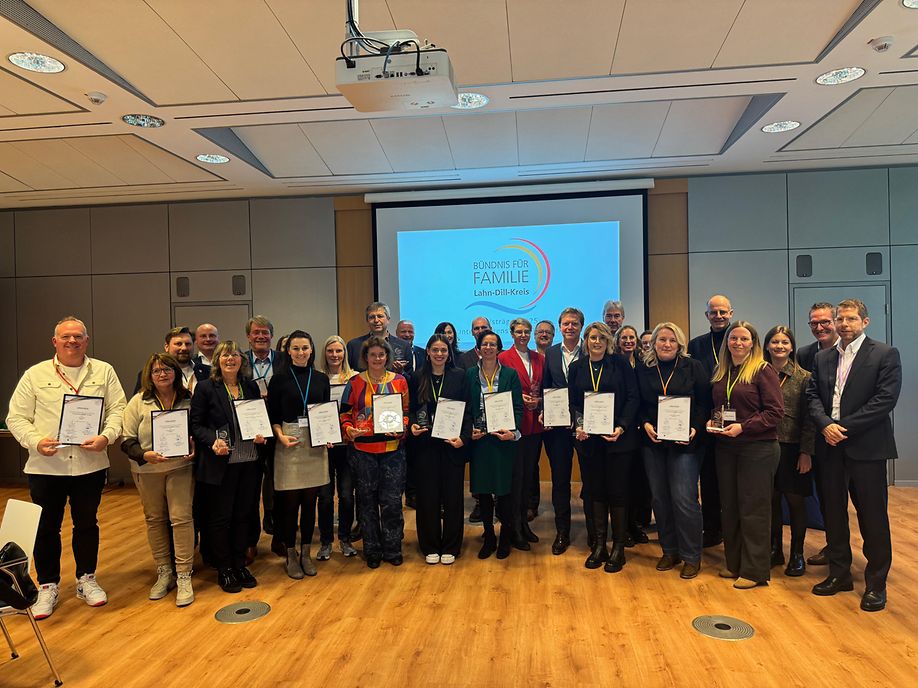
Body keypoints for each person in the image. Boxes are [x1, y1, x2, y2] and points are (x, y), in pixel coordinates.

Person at [6, 316, 126, 620]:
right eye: (66, 337)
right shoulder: (35, 375)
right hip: (47, 465)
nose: (72, 341)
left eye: (78, 337)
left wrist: (105, 437)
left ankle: (87, 579)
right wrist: (35, 441)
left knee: (87, 523)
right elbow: (15, 417)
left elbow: (118, 410)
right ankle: (48, 585)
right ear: (55, 342)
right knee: (47, 528)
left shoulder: (104, 371)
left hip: (90, 464)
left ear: (86, 340)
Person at [806, 299, 901, 612]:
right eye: (840, 319)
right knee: (833, 514)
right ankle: (839, 574)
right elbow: (813, 398)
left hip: (867, 448)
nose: (844, 324)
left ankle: (876, 583)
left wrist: (841, 427)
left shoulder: (885, 354)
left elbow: (884, 400)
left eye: (850, 319)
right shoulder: (822, 358)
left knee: (872, 517)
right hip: (830, 448)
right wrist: (825, 426)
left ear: (865, 321)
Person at [706, 321, 783, 590]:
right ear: (727, 342)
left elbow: (775, 413)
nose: (738, 343)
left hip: (757, 448)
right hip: (726, 446)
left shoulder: (763, 371)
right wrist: (712, 422)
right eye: (733, 338)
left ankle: (755, 570)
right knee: (731, 507)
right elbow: (720, 405)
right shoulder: (722, 371)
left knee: (754, 509)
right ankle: (735, 563)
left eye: (744, 339)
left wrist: (744, 427)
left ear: (753, 343)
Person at [190, 340, 266, 593]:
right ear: (217, 360)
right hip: (220, 463)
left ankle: (239, 563)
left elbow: (259, 419)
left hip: (249, 461)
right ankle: (224, 568)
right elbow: (196, 425)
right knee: (220, 518)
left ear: (242, 360)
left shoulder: (250, 387)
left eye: (234, 355)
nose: (230, 359)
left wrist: (261, 434)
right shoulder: (206, 388)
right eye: (224, 355)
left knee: (244, 514)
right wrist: (213, 440)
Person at [120, 353, 196, 606]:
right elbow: (126, 440)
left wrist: (195, 445)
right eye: (156, 371)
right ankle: (164, 572)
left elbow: (198, 430)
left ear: (176, 372)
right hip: (147, 470)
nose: (162, 374)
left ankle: (184, 575)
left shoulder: (188, 399)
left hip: (181, 467)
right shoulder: (138, 402)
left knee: (181, 518)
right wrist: (144, 454)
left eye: (167, 370)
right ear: (149, 376)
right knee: (155, 520)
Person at [636, 323, 708, 579]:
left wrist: (695, 429)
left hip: (685, 443)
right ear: (653, 342)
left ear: (680, 344)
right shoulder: (644, 369)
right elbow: (639, 403)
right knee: (660, 498)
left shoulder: (693, 367)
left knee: (684, 498)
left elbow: (704, 404)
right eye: (662, 340)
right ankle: (669, 550)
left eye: (672, 340)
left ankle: (691, 556)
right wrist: (644, 424)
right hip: (653, 443)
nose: (667, 344)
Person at [568, 322, 639, 573]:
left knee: (617, 492)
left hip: (617, 440)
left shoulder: (620, 364)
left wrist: (621, 426)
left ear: (608, 341)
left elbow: (633, 397)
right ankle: (599, 545)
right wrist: (578, 425)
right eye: (591, 337)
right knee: (595, 492)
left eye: (601, 337)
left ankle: (618, 548)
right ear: (585, 341)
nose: (596, 341)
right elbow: (574, 402)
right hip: (589, 442)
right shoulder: (577, 367)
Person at [339, 336, 410, 568]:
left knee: (391, 502)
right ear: (365, 358)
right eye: (372, 355)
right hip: (362, 451)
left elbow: (406, 412)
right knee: (367, 502)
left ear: (387, 357)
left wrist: (402, 428)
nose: (377, 359)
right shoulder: (355, 382)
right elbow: (345, 414)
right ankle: (372, 549)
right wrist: (348, 429)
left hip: (392, 451)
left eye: (381, 355)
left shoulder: (399, 381)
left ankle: (392, 548)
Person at [267, 331, 331, 579]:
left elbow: (325, 413)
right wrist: (280, 436)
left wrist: (328, 435)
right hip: (289, 442)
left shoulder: (321, 378)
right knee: (289, 505)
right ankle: (290, 554)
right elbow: (272, 417)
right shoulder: (279, 380)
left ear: (312, 350)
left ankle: (306, 552)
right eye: (296, 348)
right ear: (288, 351)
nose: (301, 352)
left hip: (315, 444)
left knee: (310, 503)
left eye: (305, 348)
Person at [408, 334, 471, 564]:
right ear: (428, 352)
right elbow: (412, 410)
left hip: (451, 444)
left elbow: (468, 411)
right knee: (428, 498)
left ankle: (451, 546)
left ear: (449, 353)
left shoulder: (459, 376)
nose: (439, 354)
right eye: (435, 350)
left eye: (443, 350)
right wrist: (412, 425)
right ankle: (430, 545)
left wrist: (464, 438)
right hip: (426, 446)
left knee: (453, 498)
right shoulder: (417, 377)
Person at [466, 330, 523, 559]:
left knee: (505, 493)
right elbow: (466, 407)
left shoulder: (510, 374)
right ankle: (489, 536)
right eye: (485, 344)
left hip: (503, 441)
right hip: (481, 442)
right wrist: (469, 428)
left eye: (493, 344)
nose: (489, 347)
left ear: (499, 349)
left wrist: (512, 431)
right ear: (478, 349)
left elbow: (517, 408)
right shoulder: (469, 374)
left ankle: (506, 537)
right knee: (484, 492)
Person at [763, 326, 815, 577]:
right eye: (774, 342)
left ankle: (797, 553)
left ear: (792, 347)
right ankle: (775, 549)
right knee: (771, 500)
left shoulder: (804, 376)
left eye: (784, 342)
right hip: (763, 446)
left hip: (793, 448)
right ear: (767, 345)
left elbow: (809, 419)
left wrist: (806, 452)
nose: (779, 346)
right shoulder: (758, 373)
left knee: (795, 501)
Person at [688, 294, 735, 548]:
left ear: (731, 313)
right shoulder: (696, 345)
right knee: (708, 478)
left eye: (723, 312)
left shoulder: (739, 339)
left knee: (731, 478)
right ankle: (712, 529)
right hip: (706, 420)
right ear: (706, 315)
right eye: (713, 312)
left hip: (735, 421)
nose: (718, 316)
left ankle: (731, 528)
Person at [795, 302, 839, 567]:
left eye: (825, 322)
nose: (820, 327)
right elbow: (805, 399)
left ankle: (844, 548)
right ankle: (833, 546)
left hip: (845, 435)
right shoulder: (805, 353)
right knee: (825, 496)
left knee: (846, 498)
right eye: (814, 323)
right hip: (815, 434)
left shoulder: (848, 352)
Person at [540, 307, 584, 555]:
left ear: (580, 326)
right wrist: (546, 410)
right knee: (560, 481)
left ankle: (595, 533)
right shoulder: (552, 353)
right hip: (557, 428)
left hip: (585, 425)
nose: (570, 327)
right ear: (560, 326)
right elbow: (548, 386)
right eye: (566, 323)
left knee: (591, 479)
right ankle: (562, 532)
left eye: (574, 323)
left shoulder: (590, 349)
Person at [498, 318, 545, 551]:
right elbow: (498, 392)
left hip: (535, 426)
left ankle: (524, 524)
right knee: (516, 479)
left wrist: (540, 401)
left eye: (527, 331)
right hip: (515, 427)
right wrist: (519, 399)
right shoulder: (503, 358)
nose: (524, 335)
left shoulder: (540, 358)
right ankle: (514, 527)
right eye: (519, 331)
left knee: (528, 476)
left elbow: (546, 388)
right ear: (511, 333)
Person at [243, 315, 286, 555]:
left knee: (280, 484)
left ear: (271, 336)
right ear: (248, 337)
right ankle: (250, 541)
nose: (261, 336)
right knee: (249, 486)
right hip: (250, 431)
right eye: (256, 332)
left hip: (278, 427)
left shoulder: (283, 360)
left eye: (265, 332)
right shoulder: (239, 360)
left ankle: (279, 536)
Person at [315, 335, 359, 559]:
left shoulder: (355, 378)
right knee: (324, 497)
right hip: (324, 446)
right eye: (330, 351)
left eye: (339, 351)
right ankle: (325, 542)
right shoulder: (317, 378)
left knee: (346, 495)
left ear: (345, 353)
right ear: (324, 353)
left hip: (347, 446)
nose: (334, 355)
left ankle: (345, 539)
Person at [460, 315, 493, 521]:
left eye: (484, 327)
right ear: (472, 332)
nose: (480, 330)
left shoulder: (501, 356)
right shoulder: (464, 359)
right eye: (476, 328)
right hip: (476, 422)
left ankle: (497, 502)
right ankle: (481, 503)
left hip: (499, 421)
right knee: (478, 465)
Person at [396, 319, 425, 509]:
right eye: (403, 332)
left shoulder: (423, 353)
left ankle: (415, 493)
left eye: (410, 332)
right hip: (397, 409)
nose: (407, 335)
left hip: (419, 410)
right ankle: (403, 492)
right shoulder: (390, 356)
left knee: (416, 455)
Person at [346, 302, 413, 374]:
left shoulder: (404, 346)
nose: (376, 320)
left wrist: (401, 372)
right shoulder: (353, 346)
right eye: (372, 317)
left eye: (380, 316)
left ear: (388, 319)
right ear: (367, 321)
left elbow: (410, 379)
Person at [132, 327, 197, 395]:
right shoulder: (149, 374)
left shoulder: (206, 371)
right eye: (178, 344)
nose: (184, 348)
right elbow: (140, 403)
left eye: (188, 344)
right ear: (166, 347)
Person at [796, 302, 838, 372]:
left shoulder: (849, 350)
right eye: (814, 323)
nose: (819, 328)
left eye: (825, 322)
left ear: (836, 322)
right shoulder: (803, 354)